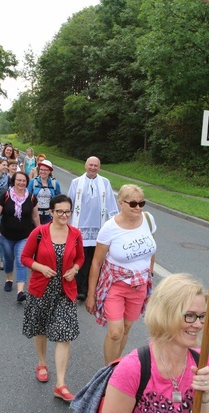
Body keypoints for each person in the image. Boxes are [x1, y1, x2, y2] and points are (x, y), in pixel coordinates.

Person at [102, 273, 209, 412]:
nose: (198, 324)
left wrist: (207, 396)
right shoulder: (132, 369)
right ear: (165, 315)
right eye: (190, 315)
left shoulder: (201, 362)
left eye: (202, 316)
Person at [21, 195, 84, 402]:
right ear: (51, 212)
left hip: (65, 291)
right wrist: (40, 267)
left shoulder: (75, 234)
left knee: (63, 335)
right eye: (60, 212)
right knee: (40, 329)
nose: (64, 215)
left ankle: (61, 384)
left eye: (67, 211)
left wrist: (74, 269)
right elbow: (25, 257)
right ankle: (41, 362)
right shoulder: (39, 233)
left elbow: (80, 257)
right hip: (41, 289)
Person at [86, 184, 156, 365]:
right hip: (115, 285)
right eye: (133, 203)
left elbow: (151, 248)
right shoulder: (110, 228)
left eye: (142, 203)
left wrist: (150, 273)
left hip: (139, 284)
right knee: (115, 331)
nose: (138, 208)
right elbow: (96, 263)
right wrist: (90, 295)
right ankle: (108, 373)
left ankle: (117, 366)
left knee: (126, 328)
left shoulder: (148, 219)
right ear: (120, 203)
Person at [66, 156, 119, 301]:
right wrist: (67, 224)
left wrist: (116, 224)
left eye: (96, 165)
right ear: (85, 165)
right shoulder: (76, 182)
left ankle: (91, 288)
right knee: (81, 259)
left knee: (95, 260)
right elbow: (69, 203)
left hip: (99, 228)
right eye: (91, 165)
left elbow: (111, 204)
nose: (93, 168)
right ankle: (80, 288)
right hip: (80, 227)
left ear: (99, 167)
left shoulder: (105, 182)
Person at [0, 171, 40, 302]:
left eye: (24, 181)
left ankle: (20, 291)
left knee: (21, 260)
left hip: (24, 236)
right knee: (8, 258)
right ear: (13, 181)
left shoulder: (31, 197)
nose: (21, 183)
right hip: (6, 235)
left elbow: (35, 216)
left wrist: (40, 231)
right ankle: (8, 278)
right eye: (18, 180)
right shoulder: (6, 196)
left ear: (27, 182)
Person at [28, 160, 61, 225]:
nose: (43, 172)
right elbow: (27, 197)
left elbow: (59, 200)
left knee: (46, 234)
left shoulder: (55, 183)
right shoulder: (33, 182)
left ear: (50, 171)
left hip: (49, 216)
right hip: (35, 215)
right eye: (41, 169)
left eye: (45, 170)